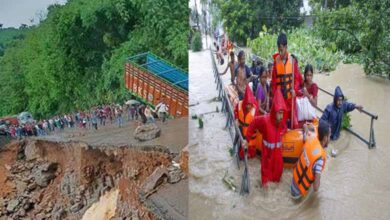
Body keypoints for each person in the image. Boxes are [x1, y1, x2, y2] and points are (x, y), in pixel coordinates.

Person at [244, 88, 287, 186]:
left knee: (277, 184)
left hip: (277, 161)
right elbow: (253, 123)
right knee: (266, 186)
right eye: (279, 113)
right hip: (267, 159)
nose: (281, 116)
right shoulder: (265, 120)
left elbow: (284, 128)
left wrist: (284, 131)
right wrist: (247, 139)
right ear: (274, 111)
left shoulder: (282, 122)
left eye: (282, 113)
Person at [291, 120, 330, 199]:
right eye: (329, 136)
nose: (330, 138)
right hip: (298, 192)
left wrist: (305, 128)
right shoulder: (320, 159)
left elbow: (305, 139)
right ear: (325, 138)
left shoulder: (311, 139)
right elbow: (316, 188)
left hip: (293, 181)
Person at [271, 33, 304, 129]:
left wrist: (295, 89)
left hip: (291, 99)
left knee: (295, 124)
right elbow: (273, 82)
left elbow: (297, 79)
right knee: (282, 125)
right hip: (281, 100)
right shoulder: (276, 62)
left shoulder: (293, 61)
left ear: (286, 47)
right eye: (279, 49)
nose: (280, 52)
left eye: (281, 49)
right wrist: (275, 97)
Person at [234, 85, 260, 159]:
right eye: (247, 104)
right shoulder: (239, 104)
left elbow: (257, 123)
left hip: (251, 137)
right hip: (242, 132)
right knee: (241, 155)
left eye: (250, 104)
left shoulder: (255, 109)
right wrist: (236, 119)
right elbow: (235, 111)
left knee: (251, 156)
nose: (248, 106)